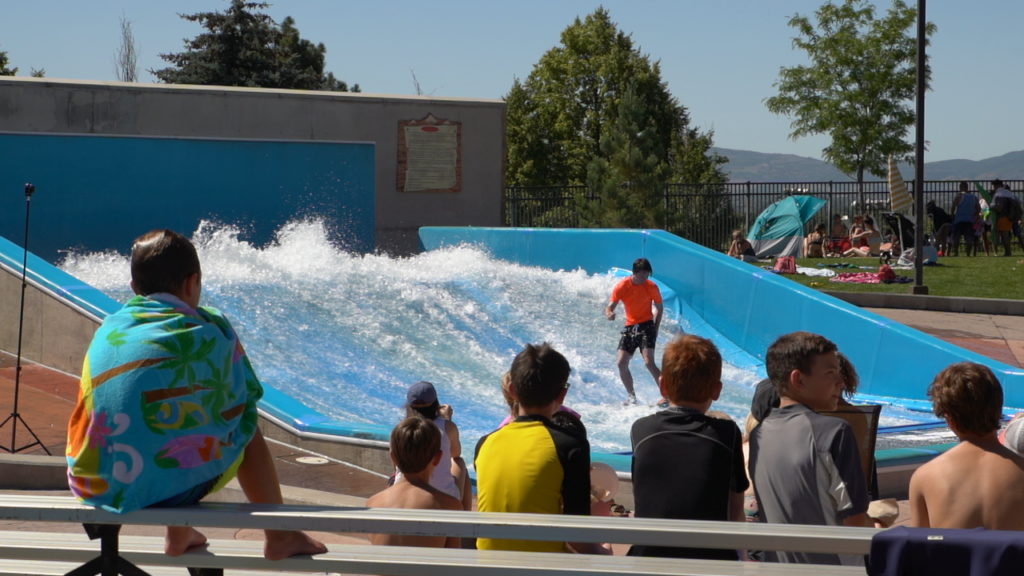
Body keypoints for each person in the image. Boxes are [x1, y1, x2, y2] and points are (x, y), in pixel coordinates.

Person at [65, 229, 326, 560]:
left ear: (134, 288)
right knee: (244, 425)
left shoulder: (111, 328)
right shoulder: (210, 326)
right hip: (163, 489)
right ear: (192, 283)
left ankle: (182, 534)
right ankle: (279, 535)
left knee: (170, 429)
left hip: (93, 481)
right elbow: (245, 397)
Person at [474, 342, 610, 555]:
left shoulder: (485, 443)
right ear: (562, 395)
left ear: (512, 390)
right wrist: (606, 551)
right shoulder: (570, 445)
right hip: (542, 567)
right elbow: (578, 539)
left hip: (486, 566)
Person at [748, 332, 869, 566]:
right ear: (799, 380)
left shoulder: (759, 434)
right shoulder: (834, 432)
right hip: (830, 568)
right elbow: (853, 519)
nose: (840, 383)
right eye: (831, 373)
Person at [629, 334, 748, 560]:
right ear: (717, 389)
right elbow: (735, 512)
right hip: (710, 559)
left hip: (649, 557)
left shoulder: (641, 430)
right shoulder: (727, 433)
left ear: (662, 385)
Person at [909, 362, 1024, 530]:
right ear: (999, 410)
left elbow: (919, 549)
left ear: (950, 419)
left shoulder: (925, 477)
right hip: (1012, 557)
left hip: (952, 557)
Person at [367, 417, 463, 547]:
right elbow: (454, 558)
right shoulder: (449, 506)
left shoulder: (373, 503)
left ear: (393, 457)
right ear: (438, 458)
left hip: (383, 567)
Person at [396, 381, 472, 511]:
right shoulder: (447, 427)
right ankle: (465, 517)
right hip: (444, 495)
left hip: (401, 489)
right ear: (436, 404)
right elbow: (455, 453)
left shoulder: (402, 429)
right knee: (459, 463)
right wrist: (447, 420)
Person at [605, 258, 664, 405]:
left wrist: (655, 328)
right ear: (635, 273)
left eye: (647, 274)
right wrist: (609, 313)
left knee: (649, 362)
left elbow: (659, 308)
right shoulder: (622, 286)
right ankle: (631, 397)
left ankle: (667, 396)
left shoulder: (651, 286)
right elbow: (610, 306)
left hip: (647, 325)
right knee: (621, 363)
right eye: (642, 274)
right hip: (630, 326)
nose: (645, 278)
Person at [950, 181, 981, 257]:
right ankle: (968, 254)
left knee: (956, 237)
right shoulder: (974, 197)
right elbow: (978, 209)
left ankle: (956, 253)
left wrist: (952, 215)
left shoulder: (959, 196)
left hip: (959, 220)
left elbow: (953, 206)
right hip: (969, 220)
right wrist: (975, 216)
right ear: (967, 188)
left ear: (960, 187)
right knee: (969, 237)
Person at [991, 179, 1019, 257]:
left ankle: (1008, 252)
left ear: (996, 185)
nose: (993, 188)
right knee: (1005, 234)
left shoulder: (999, 194)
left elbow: (999, 207)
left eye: (993, 186)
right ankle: (1008, 252)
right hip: (1010, 217)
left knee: (1004, 236)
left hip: (1003, 216)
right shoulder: (1008, 193)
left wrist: (992, 206)